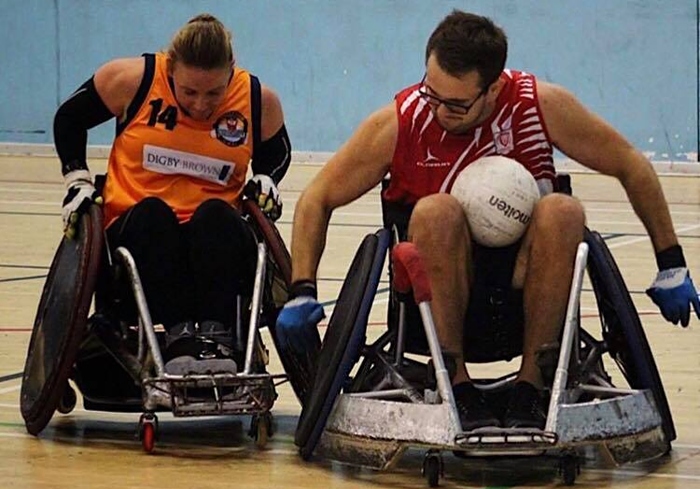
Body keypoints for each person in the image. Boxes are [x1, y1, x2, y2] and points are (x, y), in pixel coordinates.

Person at [276, 10, 700, 430]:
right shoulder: (402, 120)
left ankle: (532, 388)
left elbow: (630, 164)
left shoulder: (539, 105)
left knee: (562, 209)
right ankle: (455, 387)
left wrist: (671, 261)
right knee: (434, 210)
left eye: (457, 104)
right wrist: (302, 287)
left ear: (493, 87)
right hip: (441, 287)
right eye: (432, 93)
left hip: (527, 283)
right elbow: (317, 197)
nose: (440, 110)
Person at [54, 13, 291, 373]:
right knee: (154, 215)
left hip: (215, 239)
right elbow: (69, 119)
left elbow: (278, 153)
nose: (201, 105)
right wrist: (77, 179)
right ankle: (179, 335)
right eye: (189, 91)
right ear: (170, 71)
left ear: (231, 72)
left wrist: (266, 178)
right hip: (136, 231)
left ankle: (216, 334)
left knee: (217, 215)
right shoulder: (132, 80)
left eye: (214, 92)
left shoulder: (258, 100)